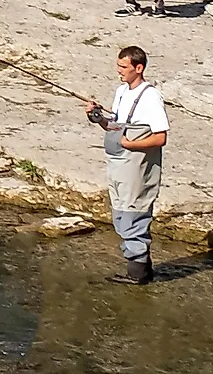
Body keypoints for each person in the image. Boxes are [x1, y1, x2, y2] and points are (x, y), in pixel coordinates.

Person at [87, 45, 169, 285]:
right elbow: (113, 126)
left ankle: (138, 275)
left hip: (136, 166)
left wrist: (130, 145)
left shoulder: (151, 96)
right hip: (117, 164)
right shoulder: (121, 91)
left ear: (139, 68)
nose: (118, 71)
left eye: (123, 67)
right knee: (121, 211)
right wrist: (97, 117)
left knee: (133, 212)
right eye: (118, 65)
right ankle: (142, 269)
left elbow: (160, 137)